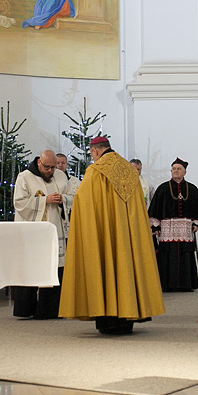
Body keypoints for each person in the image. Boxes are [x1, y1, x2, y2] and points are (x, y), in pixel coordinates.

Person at [59, 136, 164, 335]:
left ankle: (109, 321)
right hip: (128, 234)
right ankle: (128, 318)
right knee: (127, 265)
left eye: (92, 154)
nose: (93, 158)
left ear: (96, 151)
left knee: (106, 265)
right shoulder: (130, 170)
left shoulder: (95, 171)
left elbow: (83, 200)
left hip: (104, 233)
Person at [11, 150, 71, 319]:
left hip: (55, 230)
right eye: (47, 167)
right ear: (39, 163)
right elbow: (19, 203)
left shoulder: (60, 176)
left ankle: (49, 310)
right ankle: (25, 309)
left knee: (54, 268)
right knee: (31, 268)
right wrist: (45, 200)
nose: (50, 171)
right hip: (32, 233)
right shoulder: (24, 177)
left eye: (53, 167)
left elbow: (72, 196)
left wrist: (63, 199)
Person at [148, 158, 198, 292]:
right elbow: (154, 210)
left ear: (184, 172)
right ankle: (167, 285)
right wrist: (156, 226)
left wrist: (196, 224)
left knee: (186, 255)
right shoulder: (163, 188)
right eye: (174, 169)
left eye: (178, 169)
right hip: (167, 229)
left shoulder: (192, 189)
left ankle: (187, 284)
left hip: (185, 229)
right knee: (168, 255)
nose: (176, 171)